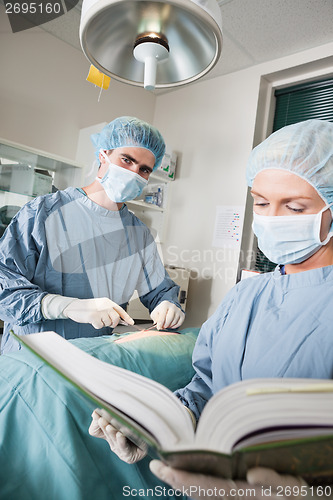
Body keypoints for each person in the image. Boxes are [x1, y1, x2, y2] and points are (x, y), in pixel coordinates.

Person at [88, 119, 333, 498]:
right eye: (262, 203)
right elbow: (206, 388)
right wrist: (159, 421)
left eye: (296, 207)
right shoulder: (245, 296)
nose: (271, 219)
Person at [0, 116, 184, 354]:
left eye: (144, 169)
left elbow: (158, 288)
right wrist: (64, 306)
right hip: (31, 359)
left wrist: (167, 304)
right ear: (103, 154)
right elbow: (4, 286)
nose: (134, 172)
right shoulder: (42, 213)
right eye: (127, 160)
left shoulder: (138, 235)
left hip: (92, 360)